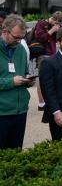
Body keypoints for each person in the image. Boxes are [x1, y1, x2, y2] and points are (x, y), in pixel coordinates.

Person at [0, 15, 31, 150]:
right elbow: (11, 79)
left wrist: (27, 80)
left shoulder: (21, 49)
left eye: (22, 37)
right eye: (16, 37)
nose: (19, 41)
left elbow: (24, 72)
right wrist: (11, 82)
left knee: (15, 154)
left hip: (20, 111)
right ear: (4, 31)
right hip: (2, 112)